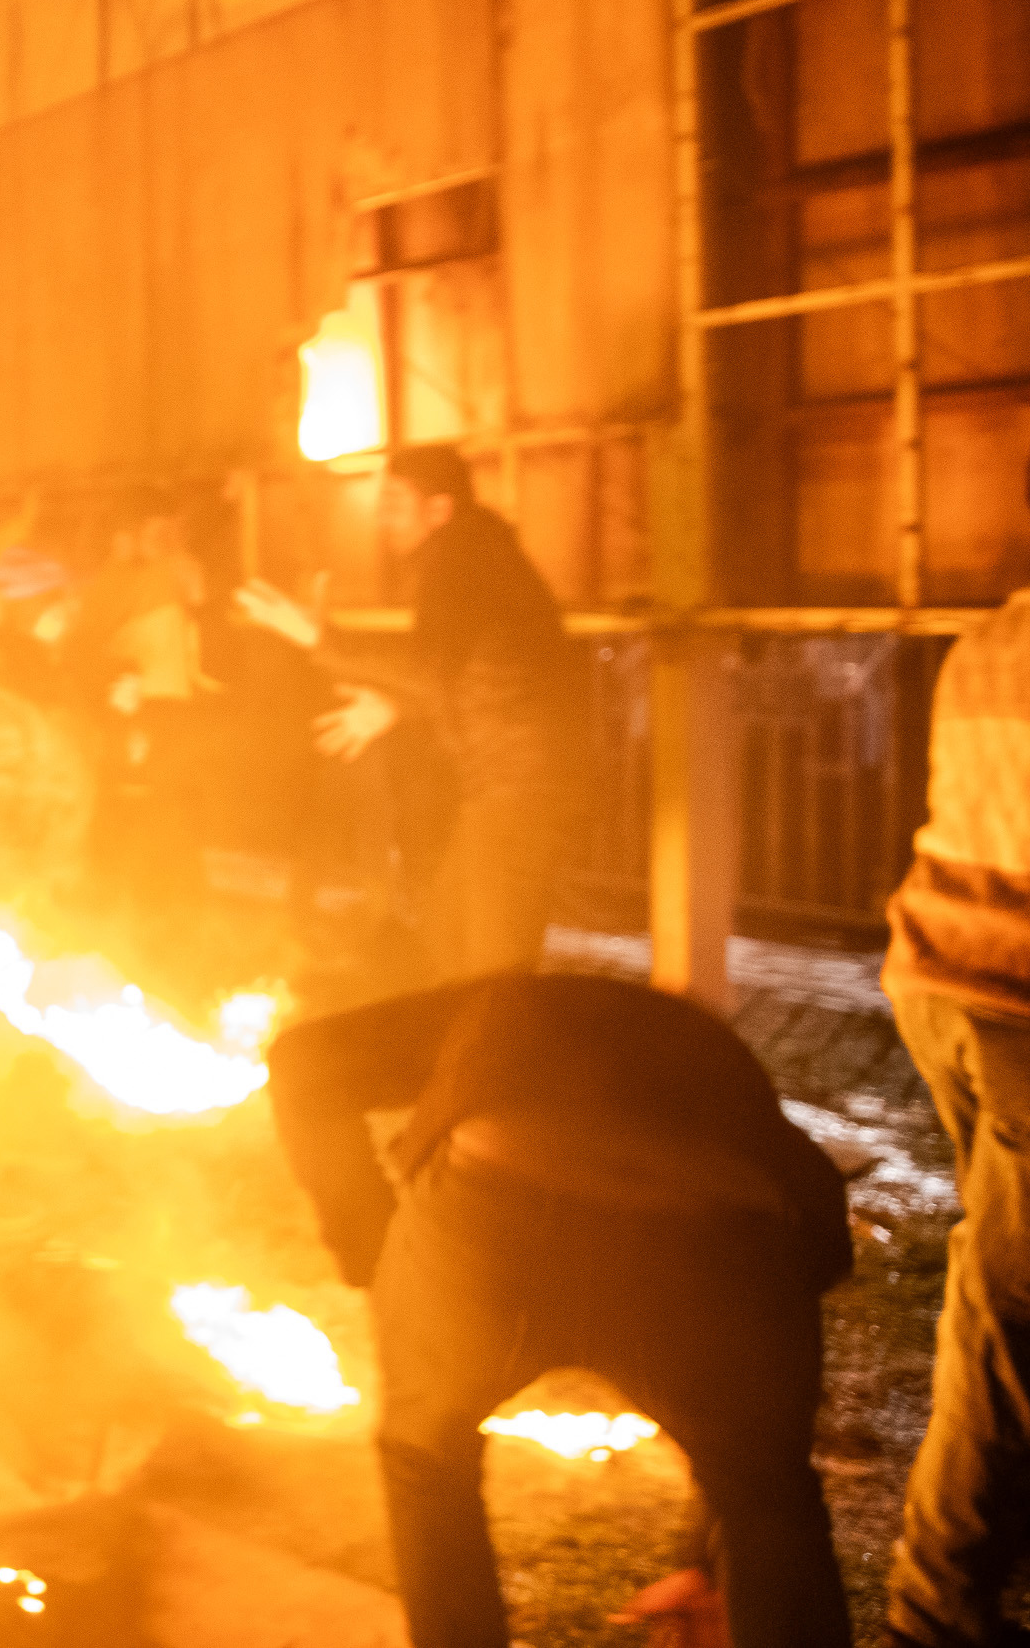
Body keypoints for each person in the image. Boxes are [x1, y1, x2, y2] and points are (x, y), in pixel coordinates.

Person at [267, 974, 853, 1648]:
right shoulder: (722, 1077)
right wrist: (716, 1550)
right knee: (766, 1493)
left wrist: (372, 1252)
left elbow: (301, 1061)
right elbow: (806, 1268)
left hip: (489, 1212)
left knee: (426, 1459)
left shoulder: (493, 1009)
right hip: (705, 1235)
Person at [235, 445, 587, 980]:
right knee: (447, 936)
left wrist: (316, 635)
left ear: (439, 510)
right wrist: (396, 707)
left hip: (522, 788)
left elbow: (436, 670)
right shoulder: (472, 556)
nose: (382, 517)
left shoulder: (464, 563)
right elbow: (469, 676)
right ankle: (461, 1053)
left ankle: (496, 1058)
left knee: (494, 971)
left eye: (396, 502)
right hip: (503, 783)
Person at [879, 581, 1030, 1648]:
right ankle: (936, 1616)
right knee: (1005, 1316)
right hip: (1018, 1004)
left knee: (1000, 1287)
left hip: (939, 981)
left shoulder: (988, 639)